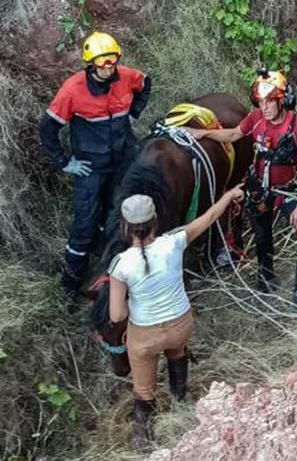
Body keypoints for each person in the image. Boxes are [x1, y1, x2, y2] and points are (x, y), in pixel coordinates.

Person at [109, 184, 245, 452]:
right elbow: (206, 219)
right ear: (155, 221)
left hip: (145, 336)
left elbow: (117, 315)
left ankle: (142, 435)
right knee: (176, 349)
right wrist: (228, 196)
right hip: (180, 326)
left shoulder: (120, 264)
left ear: (125, 227)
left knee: (144, 389)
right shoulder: (174, 242)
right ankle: (180, 399)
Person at [185, 70, 297, 308]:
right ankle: (265, 278)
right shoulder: (255, 118)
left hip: (287, 192)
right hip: (259, 190)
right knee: (262, 238)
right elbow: (234, 134)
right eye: (261, 102)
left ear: (283, 100)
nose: (265, 107)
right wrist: (204, 133)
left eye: (270, 102)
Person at [39, 31, 152, 305]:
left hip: (122, 160)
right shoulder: (73, 90)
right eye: (102, 62)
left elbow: (146, 84)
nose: (108, 67)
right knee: (84, 223)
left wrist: (133, 115)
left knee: (114, 215)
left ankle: (107, 268)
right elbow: (47, 128)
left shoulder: (127, 76)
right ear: (90, 64)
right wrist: (65, 162)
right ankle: (69, 286)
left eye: (112, 60)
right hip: (91, 168)